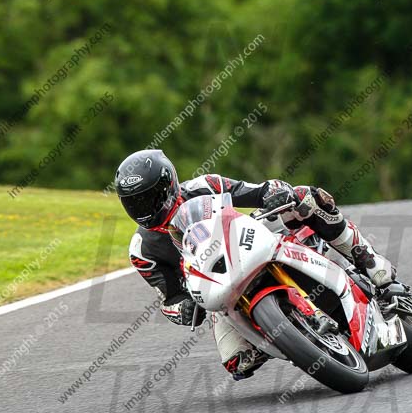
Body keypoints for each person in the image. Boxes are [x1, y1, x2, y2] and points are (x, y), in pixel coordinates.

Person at [115, 149, 395, 380]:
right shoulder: (143, 250)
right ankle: (291, 337)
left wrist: (277, 193)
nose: (144, 208)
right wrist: (183, 308)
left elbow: (258, 191)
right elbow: (168, 299)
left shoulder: (205, 186)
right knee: (238, 362)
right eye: (134, 203)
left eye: (148, 197)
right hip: (221, 291)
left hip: (251, 245)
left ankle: (372, 265)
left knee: (306, 199)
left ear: (168, 184)